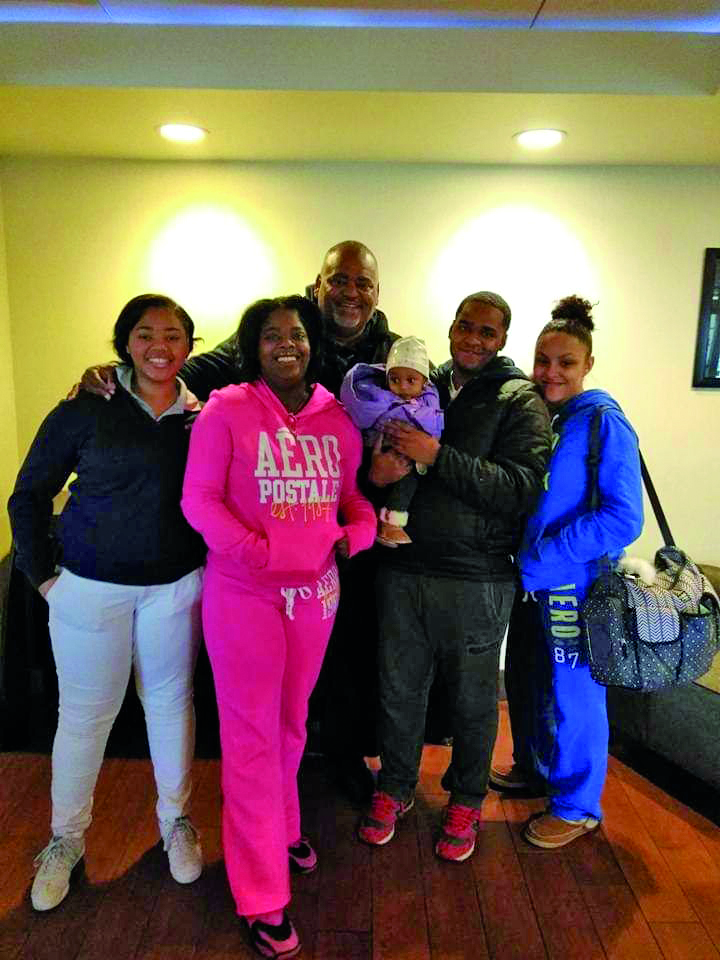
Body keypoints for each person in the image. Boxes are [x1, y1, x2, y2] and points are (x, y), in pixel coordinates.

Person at [76, 240, 399, 802]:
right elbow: (189, 371)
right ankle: (265, 801)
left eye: (362, 283)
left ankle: (335, 763)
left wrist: (372, 504)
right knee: (259, 703)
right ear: (318, 286)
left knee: (345, 662)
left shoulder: (391, 352)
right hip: (261, 561)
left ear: (376, 292)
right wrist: (122, 373)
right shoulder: (278, 332)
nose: (350, 292)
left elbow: (429, 401)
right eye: (339, 280)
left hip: (342, 539)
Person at [180, 295, 376, 958]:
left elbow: (349, 496)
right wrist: (259, 554)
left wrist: (360, 529)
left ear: (312, 344)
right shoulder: (226, 411)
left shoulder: (337, 419)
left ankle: (282, 828)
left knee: (292, 724)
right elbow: (199, 501)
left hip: (316, 598)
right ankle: (261, 894)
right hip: (245, 597)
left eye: (296, 333)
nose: (286, 343)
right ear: (252, 347)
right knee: (251, 741)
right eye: (271, 335)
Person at [8, 294, 207, 912]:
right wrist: (44, 578)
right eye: (145, 334)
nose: (159, 347)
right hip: (88, 592)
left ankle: (175, 821)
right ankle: (66, 840)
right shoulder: (86, 406)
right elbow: (28, 495)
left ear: (189, 346)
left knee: (170, 705)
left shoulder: (201, 414)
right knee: (85, 716)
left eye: (173, 335)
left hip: (175, 588)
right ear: (125, 342)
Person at [358, 291, 552, 862]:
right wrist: (376, 471)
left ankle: (466, 798)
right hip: (402, 566)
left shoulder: (520, 399)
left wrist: (436, 454)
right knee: (398, 690)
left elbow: (520, 490)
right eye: (465, 326)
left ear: (503, 339)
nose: (473, 338)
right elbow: (376, 450)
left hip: (478, 577)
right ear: (450, 328)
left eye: (487, 332)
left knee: (472, 702)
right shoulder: (421, 384)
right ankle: (396, 786)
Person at [514, 295, 643, 849]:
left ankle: (577, 806)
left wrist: (550, 554)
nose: (551, 372)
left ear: (588, 363)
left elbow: (624, 517)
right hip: (541, 584)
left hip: (577, 585)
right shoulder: (552, 418)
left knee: (577, 695)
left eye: (565, 362)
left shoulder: (605, 422)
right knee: (541, 686)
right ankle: (541, 773)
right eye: (543, 360)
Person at [340, 336, 444, 547]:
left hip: (409, 454)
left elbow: (434, 426)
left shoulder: (430, 399)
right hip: (376, 450)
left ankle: (390, 522)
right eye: (394, 380)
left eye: (411, 380)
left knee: (411, 478)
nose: (402, 387)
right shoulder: (377, 397)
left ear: (424, 382)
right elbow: (363, 415)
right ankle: (389, 523)